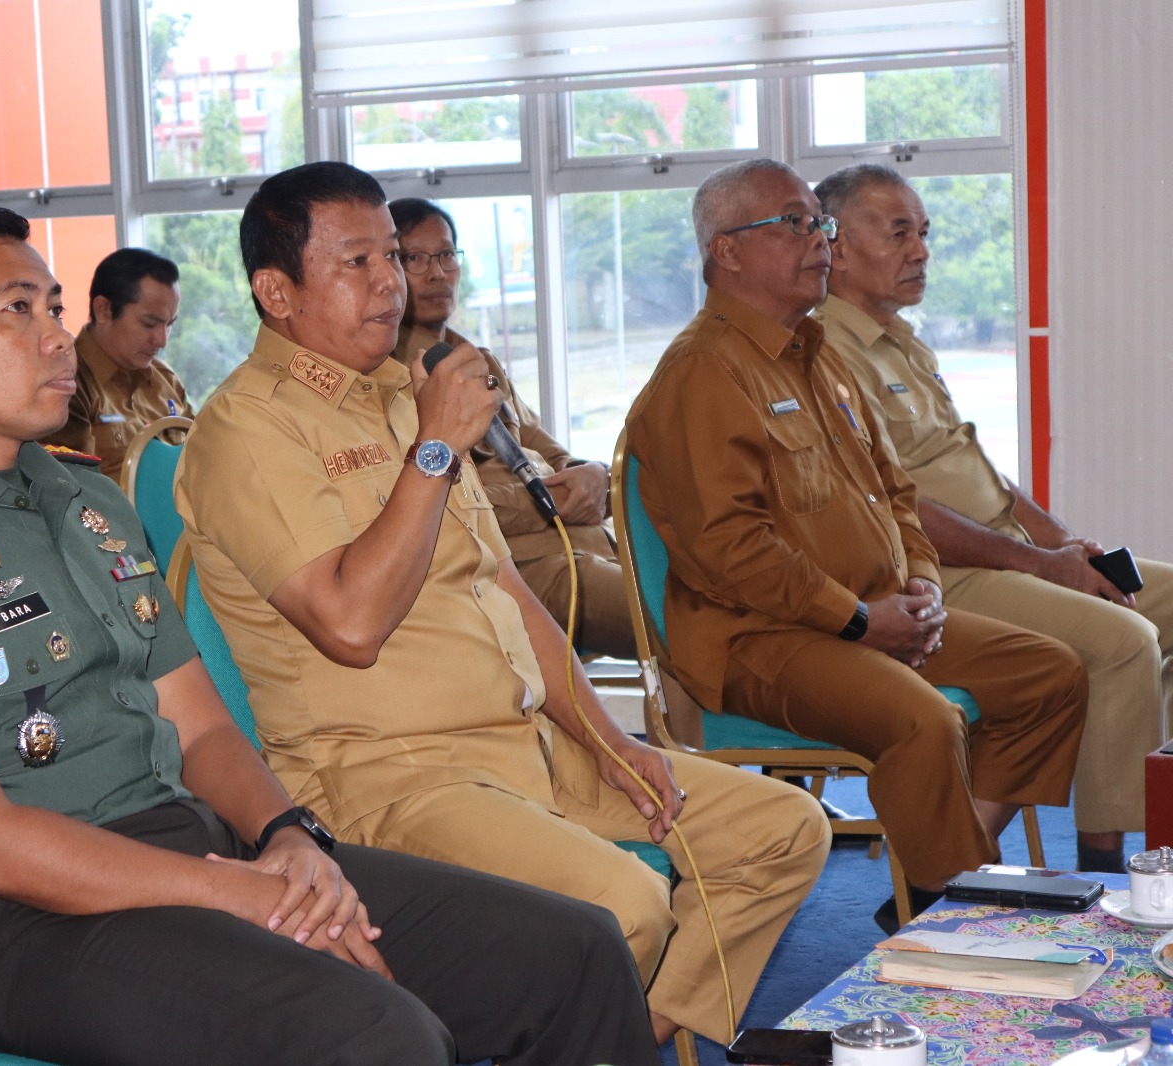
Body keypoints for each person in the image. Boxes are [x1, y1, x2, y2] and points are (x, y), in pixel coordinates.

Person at [0, 204, 658, 1066]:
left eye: (54, 307)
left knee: (573, 951)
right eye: (18, 310)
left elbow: (198, 725)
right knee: (374, 1036)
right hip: (23, 922)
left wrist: (285, 836)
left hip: (198, 848)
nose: (55, 336)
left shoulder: (89, 501)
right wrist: (230, 891)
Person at [176, 161, 831, 1047]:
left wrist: (609, 739)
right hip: (396, 781)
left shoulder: (404, 395)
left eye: (394, 260)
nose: (391, 284)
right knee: (627, 909)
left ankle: (624, 1030)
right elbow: (350, 625)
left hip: (528, 744)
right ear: (275, 291)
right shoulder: (247, 429)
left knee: (782, 829)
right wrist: (437, 450)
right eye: (357, 262)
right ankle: (593, 1026)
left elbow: (508, 589)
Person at [626, 158, 1089, 930]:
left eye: (821, 223)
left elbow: (896, 492)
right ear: (727, 252)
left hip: (877, 615)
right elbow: (728, 549)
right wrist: (859, 620)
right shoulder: (701, 374)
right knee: (924, 721)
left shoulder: (819, 355)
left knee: (1049, 674)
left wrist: (922, 587)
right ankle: (957, 912)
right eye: (795, 224)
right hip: (762, 639)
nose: (819, 240)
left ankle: (938, 891)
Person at [813, 162, 1173, 873]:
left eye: (925, 233)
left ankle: (1153, 811)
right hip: (938, 571)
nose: (921, 250)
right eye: (899, 233)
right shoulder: (826, 353)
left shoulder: (902, 339)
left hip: (1002, 550)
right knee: (1125, 638)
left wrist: (1061, 540)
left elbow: (974, 468)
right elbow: (895, 504)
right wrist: (1044, 566)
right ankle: (1111, 871)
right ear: (839, 246)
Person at [388, 197, 634, 660]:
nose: (437, 273)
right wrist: (546, 501)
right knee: (680, 617)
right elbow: (432, 502)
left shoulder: (481, 363)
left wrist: (594, 473)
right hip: (522, 569)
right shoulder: (389, 383)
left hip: (590, 545)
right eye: (413, 259)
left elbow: (551, 453)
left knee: (712, 587)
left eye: (446, 255)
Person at [41, 247, 191, 482]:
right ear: (104, 310)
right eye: (150, 323)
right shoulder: (65, 381)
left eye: (169, 324)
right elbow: (69, 489)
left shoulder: (166, 380)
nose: (162, 340)